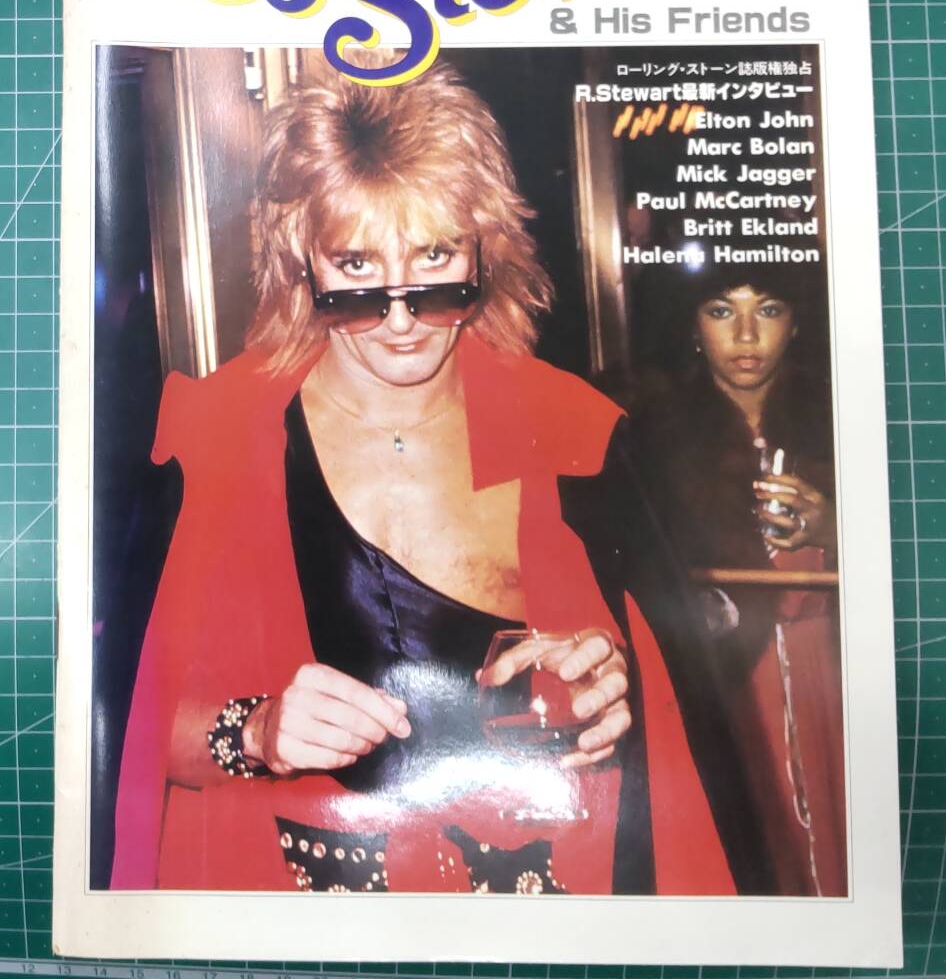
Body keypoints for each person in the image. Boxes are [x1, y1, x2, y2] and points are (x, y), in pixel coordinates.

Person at [110, 51, 770, 896]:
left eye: (433, 261)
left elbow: (680, 739)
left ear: (485, 250)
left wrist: (617, 689)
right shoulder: (203, 442)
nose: (400, 320)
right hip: (298, 911)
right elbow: (117, 735)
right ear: (300, 258)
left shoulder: (578, 438)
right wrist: (256, 732)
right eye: (356, 270)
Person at [626, 262, 846, 896]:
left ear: (797, 322)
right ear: (693, 325)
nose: (746, 336)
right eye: (722, 311)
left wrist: (836, 526)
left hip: (832, 675)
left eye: (768, 310)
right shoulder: (650, 436)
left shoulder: (845, 414)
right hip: (726, 680)